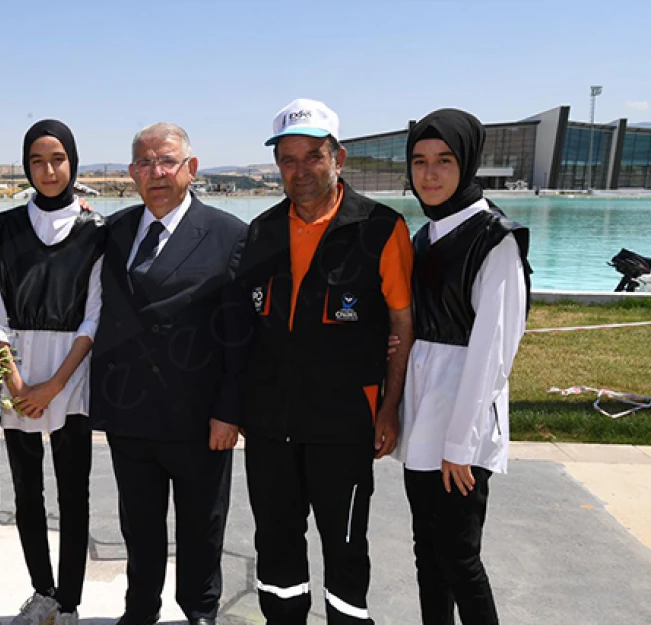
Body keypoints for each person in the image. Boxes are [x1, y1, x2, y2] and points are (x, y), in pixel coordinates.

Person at [235, 98, 414, 625]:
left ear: (338, 157)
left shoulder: (381, 228)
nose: (300, 171)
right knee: (276, 544)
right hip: (270, 426)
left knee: (345, 545)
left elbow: (402, 325)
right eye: (287, 160)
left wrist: (390, 408)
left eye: (312, 156)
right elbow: (244, 326)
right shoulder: (262, 232)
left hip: (346, 426)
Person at [89, 122, 247, 625]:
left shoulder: (229, 235)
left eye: (166, 161)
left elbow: (242, 338)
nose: (155, 173)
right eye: (143, 163)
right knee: (139, 525)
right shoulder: (113, 232)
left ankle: (200, 611)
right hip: (129, 414)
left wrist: (229, 412)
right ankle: (141, 609)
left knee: (202, 525)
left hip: (199, 419)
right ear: (130, 174)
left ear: (190, 169)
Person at [395, 108, 531, 625]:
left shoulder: (494, 239)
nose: (430, 174)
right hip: (423, 415)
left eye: (444, 161)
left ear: (467, 163)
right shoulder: (426, 237)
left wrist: (461, 444)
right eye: (420, 162)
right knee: (427, 552)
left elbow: (494, 352)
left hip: (460, 421)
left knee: (459, 558)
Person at [0, 119, 104, 625]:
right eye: (37, 160)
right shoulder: (6, 228)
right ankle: (43, 593)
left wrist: (53, 385)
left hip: (71, 379)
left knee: (74, 493)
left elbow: (94, 316)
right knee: (27, 492)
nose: (49, 170)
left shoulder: (96, 230)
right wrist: (16, 385)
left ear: (73, 161)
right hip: (16, 374)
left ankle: (71, 602)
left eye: (58, 159)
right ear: (26, 165)